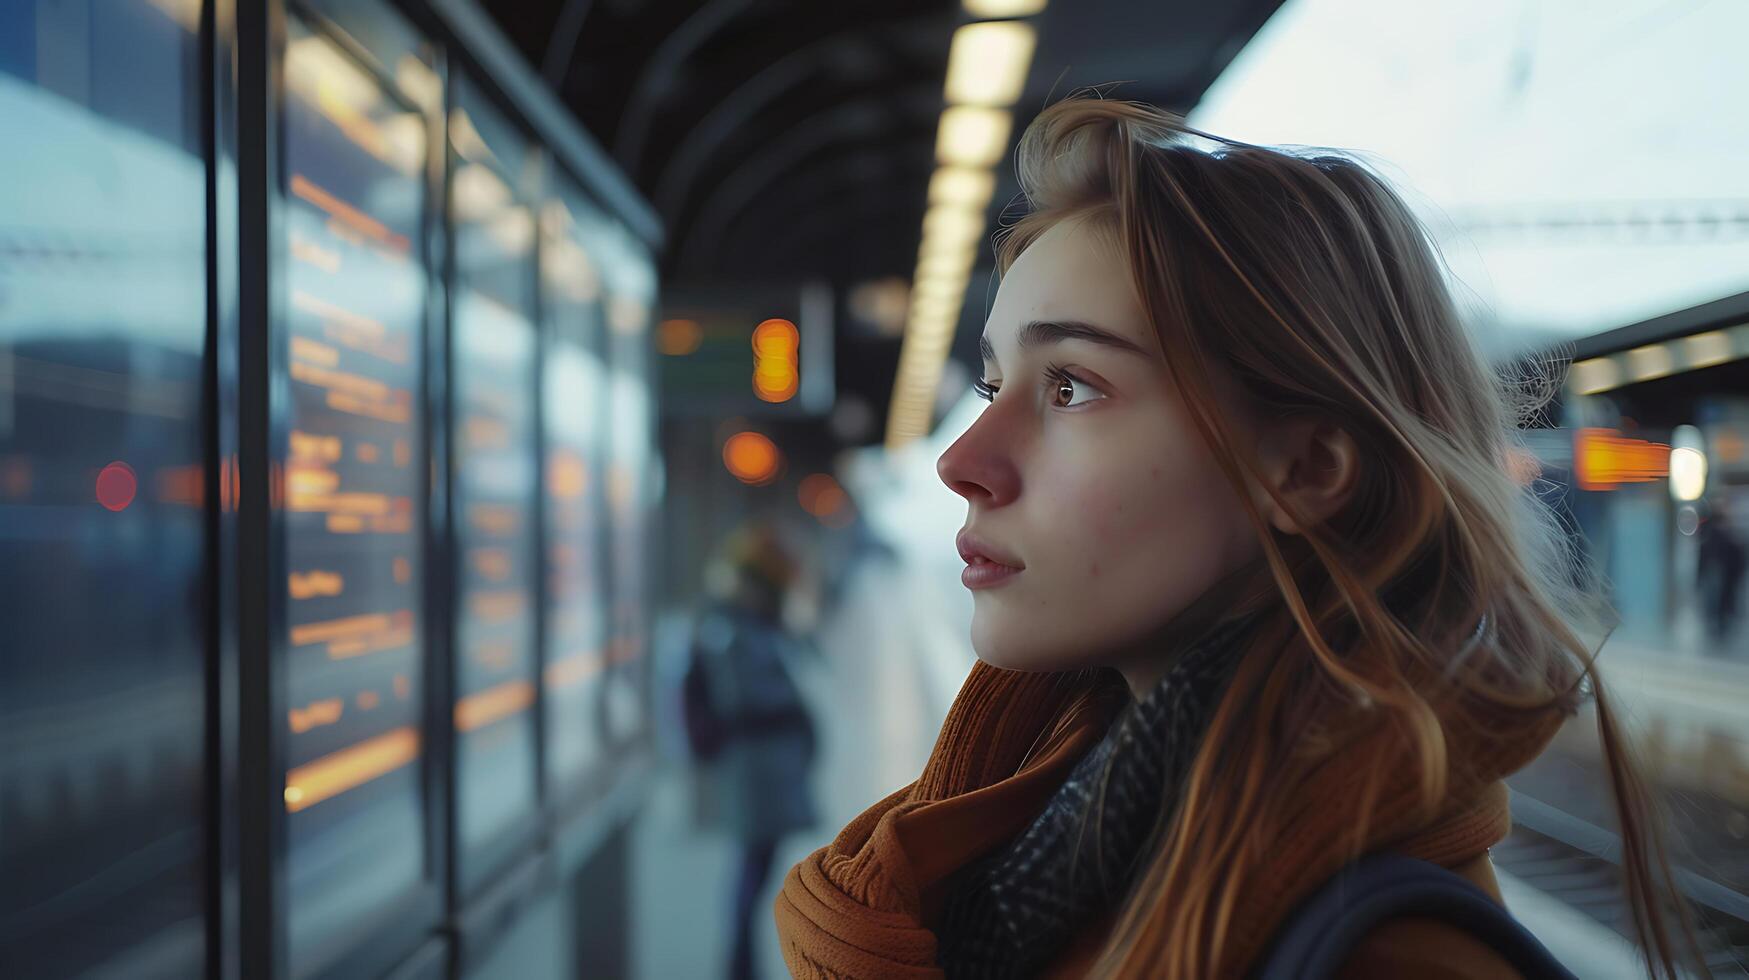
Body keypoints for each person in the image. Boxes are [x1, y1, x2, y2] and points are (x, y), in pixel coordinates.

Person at [773, 96, 1704, 979]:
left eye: (1071, 387)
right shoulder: (1059, 840)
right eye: (991, 386)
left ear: (1300, 471)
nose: (963, 462)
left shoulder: (1386, 961)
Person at [683, 521, 820, 980]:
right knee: (752, 869)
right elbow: (755, 695)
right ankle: (739, 966)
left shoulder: (739, 621)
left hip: (766, 767)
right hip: (756, 769)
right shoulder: (731, 629)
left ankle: (741, 963)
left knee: (755, 868)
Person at [1696, 498, 1745, 648]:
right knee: (1714, 599)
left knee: (1719, 599)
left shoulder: (1723, 534)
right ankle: (1716, 623)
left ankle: (1719, 623)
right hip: (1716, 571)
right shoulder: (1714, 533)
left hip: (1722, 572)